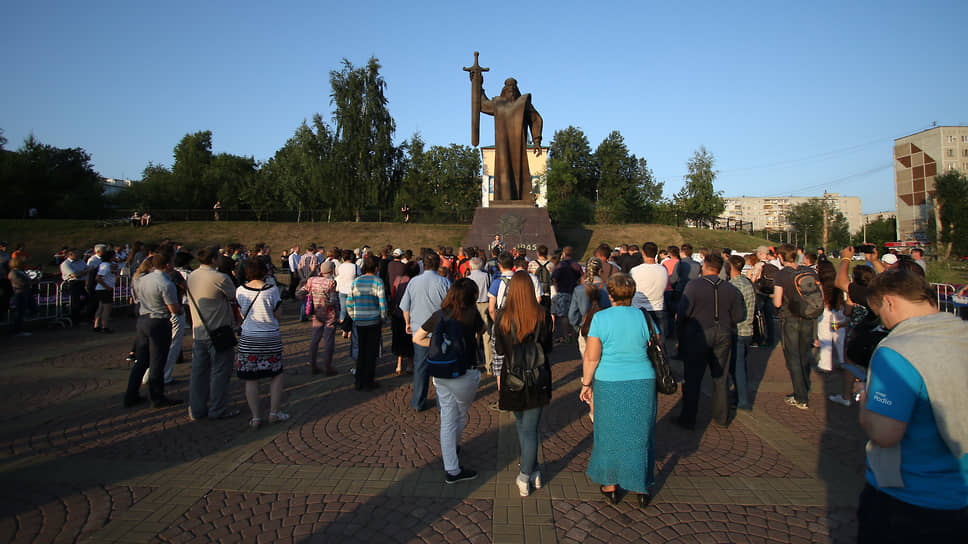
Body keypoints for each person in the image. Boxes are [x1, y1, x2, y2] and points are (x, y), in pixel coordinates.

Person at [855, 269, 968, 542]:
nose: (883, 321)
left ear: (890, 302)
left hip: (912, 497)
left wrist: (864, 398)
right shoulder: (960, 332)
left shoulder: (898, 349)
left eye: (880, 312)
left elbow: (885, 433)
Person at [579, 273, 656, 507]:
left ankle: (611, 484)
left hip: (610, 379)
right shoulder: (645, 317)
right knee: (640, 432)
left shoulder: (601, 318)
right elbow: (655, 345)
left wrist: (586, 383)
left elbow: (592, 358)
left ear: (609, 294)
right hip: (642, 379)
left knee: (608, 431)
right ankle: (640, 484)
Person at [413, 278, 486, 485]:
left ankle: (451, 465)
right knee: (459, 415)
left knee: (447, 417)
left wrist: (440, 346)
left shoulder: (439, 315)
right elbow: (483, 331)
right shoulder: (471, 314)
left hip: (441, 371)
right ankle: (452, 456)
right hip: (465, 372)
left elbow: (417, 338)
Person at [494, 271, 553, 496]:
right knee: (528, 428)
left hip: (513, 377)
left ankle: (525, 474)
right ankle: (534, 470)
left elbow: (499, 349)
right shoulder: (542, 315)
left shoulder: (502, 316)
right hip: (537, 376)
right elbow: (547, 348)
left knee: (524, 427)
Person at [677, 254, 743, 428]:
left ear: (705, 266)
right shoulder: (730, 288)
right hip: (723, 333)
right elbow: (739, 315)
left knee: (693, 377)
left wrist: (680, 334)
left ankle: (688, 418)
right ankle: (722, 417)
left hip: (699, 334)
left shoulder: (694, 286)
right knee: (720, 377)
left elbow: (683, 312)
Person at [186, 247, 239, 421]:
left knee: (198, 373)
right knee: (220, 372)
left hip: (199, 330)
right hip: (219, 330)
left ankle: (196, 408)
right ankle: (218, 408)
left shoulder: (192, 276)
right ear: (214, 260)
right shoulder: (220, 278)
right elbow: (235, 296)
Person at [125, 253, 182, 408]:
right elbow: (173, 308)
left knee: (142, 360)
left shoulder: (142, 279)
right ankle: (157, 397)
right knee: (157, 361)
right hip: (158, 320)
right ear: (168, 265)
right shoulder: (165, 283)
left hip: (143, 318)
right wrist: (180, 310)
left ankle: (131, 394)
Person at [236, 259, 287, 428]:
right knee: (276, 373)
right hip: (269, 335)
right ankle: (274, 412)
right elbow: (278, 314)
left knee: (251, 379)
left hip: (249, 335)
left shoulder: (240, 290)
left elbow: (241, 313)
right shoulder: (272, 290)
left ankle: (256, 417)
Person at [477, 76, 543, 201]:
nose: (510, 88)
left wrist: (536, 140)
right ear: (503, 89)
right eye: (508, 86)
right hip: (503, 147)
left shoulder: (523, 103)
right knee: (504, 171)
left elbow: (535, 119)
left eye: (513, 86)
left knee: (520, 171)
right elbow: (482, 105)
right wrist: (478, 85)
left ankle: (522, 200)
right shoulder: (498, 104)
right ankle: (504, 200)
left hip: (519, 146)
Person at [401, 252, 451, 411]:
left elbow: (405, 306)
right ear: (438, 265)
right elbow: (450, 308)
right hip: (439, 331)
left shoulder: (414, 282)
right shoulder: (444, 282)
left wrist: (407, 323)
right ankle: (442, 402)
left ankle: (418, 401)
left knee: (420, 367)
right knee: (441, 369)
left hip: (418, 331)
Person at [773, 244, 815, 410]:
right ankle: (804, 386)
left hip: (789, 317)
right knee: (804, 353)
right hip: (808, 317)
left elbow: (777, 301)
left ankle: (800, 396)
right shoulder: (809, 271)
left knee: (793, 357)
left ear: (781, 258)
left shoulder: (781, 274)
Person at [346, 255, 387, 391]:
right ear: (376, 268)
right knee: (371, 352)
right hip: (373, 320)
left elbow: (349, 302)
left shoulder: (356, 281)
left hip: (359, 320)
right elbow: (382, 303)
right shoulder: (377, 282)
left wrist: (354, 316)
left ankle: (359, 380)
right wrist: (383, 318)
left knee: (361, 351)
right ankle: (369, 380)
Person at [727, 255, 755, 411]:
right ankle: (739, 393)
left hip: (737, 330)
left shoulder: (733, 285)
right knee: (741, 366)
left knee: (737, 367)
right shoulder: (747, 282)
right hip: (748, 330)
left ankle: (743, 400)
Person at [304, 261, 340, 376]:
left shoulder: (312, 280)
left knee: (315, 339)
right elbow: (333, 300)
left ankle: (312, 363)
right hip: (329, 314)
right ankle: (327, 366)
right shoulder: (331, 282)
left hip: (316, 312)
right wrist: (326, 303)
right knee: (328, 340)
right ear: (331, 271)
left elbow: (300, 293)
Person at [568, 258, 610, 356]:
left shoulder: (579, 290)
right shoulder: (608, 288)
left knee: (587, 362)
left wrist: (578, 327)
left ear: (586, 271)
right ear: (600, 271)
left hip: (586, 328)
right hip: (605, 330)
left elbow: (572, 315)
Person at [630, 242, 668, 339]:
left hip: (639, 308)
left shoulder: (635, 270)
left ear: (643, 253)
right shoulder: (663, 269)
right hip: (658, 306)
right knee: (660, 339)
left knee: (641, 338)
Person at [390, 261, 419, 375]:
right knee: (409, 339)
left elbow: (393, 295)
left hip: (397, 312)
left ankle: (398, 364)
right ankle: (410, 364)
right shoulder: (415, 282)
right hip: (410, 313)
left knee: (398, 338)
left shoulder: (398, 279)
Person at [551, 246, 583, 341]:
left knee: (564, 315)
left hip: (562, 291)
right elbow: (582, 278)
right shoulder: (576, 265)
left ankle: (565, 336)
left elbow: (554, 278)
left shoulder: (560, 265)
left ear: (563, 254)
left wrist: (556, 288)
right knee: (575, 314)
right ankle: (573, 335)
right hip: (574, 292)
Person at [60, 249, 87, 326]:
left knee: (88, 297)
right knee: (76, 301)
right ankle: (75, 320)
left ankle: (76, 312)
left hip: (82, 282)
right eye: (77, 253)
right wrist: (83, 272)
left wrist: (81, 273)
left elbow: (87, 269)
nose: (79, 255)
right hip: (73, 283)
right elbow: (74, 275)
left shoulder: (81, 261)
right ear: (70, 254)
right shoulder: (65, 264)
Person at [93, 249, 117, 333]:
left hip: (101, 289)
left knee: (101, 307)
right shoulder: (106, 266)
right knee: (107, 309)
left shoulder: (104, 264)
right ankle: (105, 326)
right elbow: (98, 278)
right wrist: (107, 287)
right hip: (104, 289)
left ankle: (97, 325)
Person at [336, 249, 358, 336]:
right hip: (352, 290)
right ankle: (350, 330)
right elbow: (358, 276)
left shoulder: (340, 266)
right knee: (352, 311)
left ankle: (343, 330)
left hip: (342, 289)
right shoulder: (355, 266)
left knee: (343, 310)